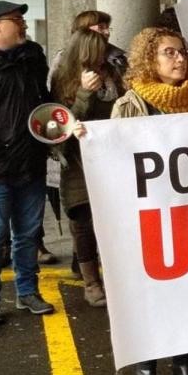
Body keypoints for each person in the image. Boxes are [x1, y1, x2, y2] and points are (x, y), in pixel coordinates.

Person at [109, 26, 188, 375]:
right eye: (169, 53)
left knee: (187, 291)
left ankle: (184, 363)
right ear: (149, 61)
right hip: (148, 216)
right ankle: (147, 366)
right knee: (151, 293)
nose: (180, 58)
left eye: (182, 51)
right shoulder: (131, 104)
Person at [0, 0, 55, 326]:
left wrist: (57, 122)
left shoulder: (32, 55)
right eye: (15, 20)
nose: (23, 24)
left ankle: (28, 291)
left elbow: (45, 97)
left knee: (28, 233)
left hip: (31, 162)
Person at [50, 29, 126, 307]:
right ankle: (92, 282)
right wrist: (84, 92)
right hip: (79, 162)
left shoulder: (114, 74)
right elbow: (60, 125)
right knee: (82, 223)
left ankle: (115, 278)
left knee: (112, 221)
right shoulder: (64, 79)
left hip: (112, 159)